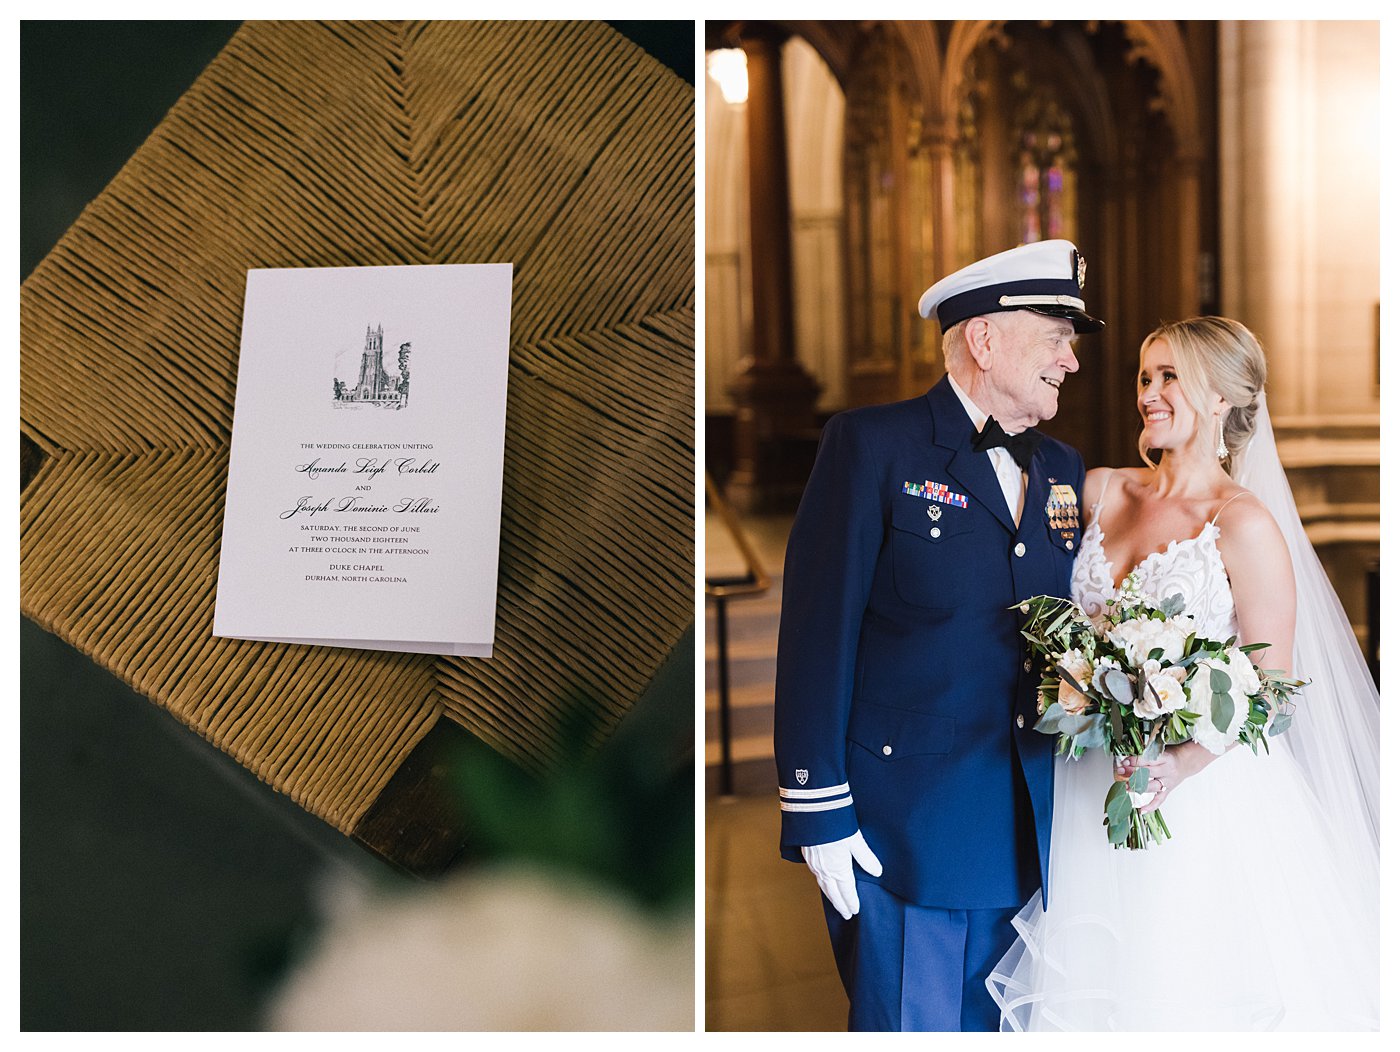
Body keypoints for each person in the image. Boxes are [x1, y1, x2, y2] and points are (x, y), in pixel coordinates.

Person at [987, 316, 1380, 1030]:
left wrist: (1179, 764)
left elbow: (1277, 690)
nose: (1150, 394)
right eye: (1145, 377)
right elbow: (1021, 586)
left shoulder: (1243, 523)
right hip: (1084, 785)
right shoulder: (1099, 489)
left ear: (1222, 399)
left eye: (1170, 377)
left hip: (1197, 803)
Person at [772, 239, 1103, 1031]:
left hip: (1037, 829)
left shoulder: (1062, 467)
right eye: (1056, 337)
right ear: (985, 340)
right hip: (909, 832)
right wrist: (818, 807)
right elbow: (819, 630)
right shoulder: (874, 445)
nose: (1072, 361)